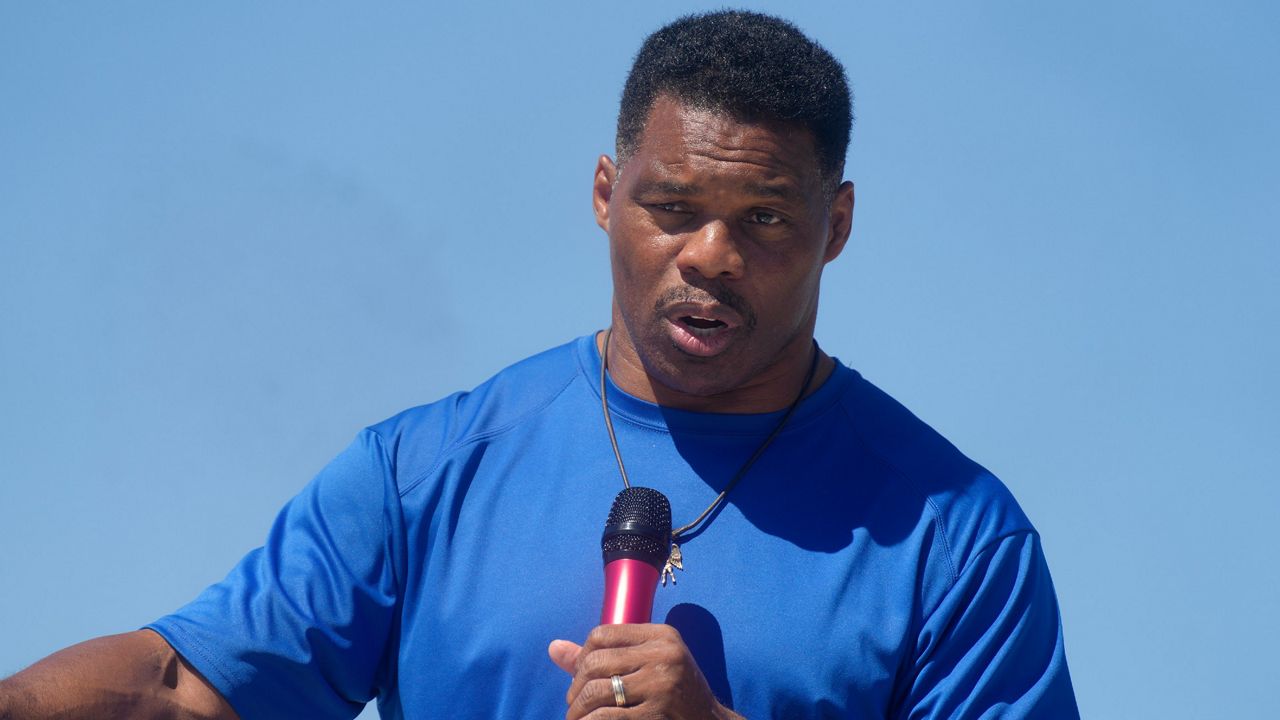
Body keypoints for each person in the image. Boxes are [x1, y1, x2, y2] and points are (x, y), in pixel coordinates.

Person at [0, 10, 1079, 720]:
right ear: (606, 194)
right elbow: (175, 688)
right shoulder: (423, 472)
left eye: (763, 217)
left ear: (834, 223)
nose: (711, 255)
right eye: (672, 210)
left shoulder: (952, 535)